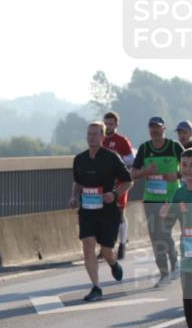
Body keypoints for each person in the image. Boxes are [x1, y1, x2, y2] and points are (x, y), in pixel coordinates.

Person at [68, 122, 132, 302]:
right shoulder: (79, 159)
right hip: (87, 211)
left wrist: (114, 194)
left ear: (103, 137)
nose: (91, 137)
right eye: (89, 134)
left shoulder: (112, 158)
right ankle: (96, 287)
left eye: (95, 134)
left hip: (107, 211)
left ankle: (113, 263)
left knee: (106, 251)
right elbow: (77, 182)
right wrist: (73, 197)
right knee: (88, 247)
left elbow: (128, 181)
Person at [131, 116, 184, 287]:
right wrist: (146, 170)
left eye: (157, 127)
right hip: (151, 198)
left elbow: (188, 167)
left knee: (165, 232)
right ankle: (164, 273)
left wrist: (175, 175)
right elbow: (133, 174)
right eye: (151, 127)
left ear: (164, 129)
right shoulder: (145, 149)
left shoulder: (174, 147)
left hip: (172, 197)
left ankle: (175, 265)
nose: (154, 130)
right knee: (155, 237)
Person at [160, 148, 192, 328]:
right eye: (184, 165)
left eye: (191, 165)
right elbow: (168, 221)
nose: (187, 170)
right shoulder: (179, 193)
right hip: (188, 258)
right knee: (189, 305)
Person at [102, 111, 135, 259]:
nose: (108, 126)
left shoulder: (122, 141)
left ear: (116, 124)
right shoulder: (100, 139)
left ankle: (122, 244)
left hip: (119, 183)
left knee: (120, 213)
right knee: (101, 214)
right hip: (103, 183)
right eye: (106, 124)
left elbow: (130, 160)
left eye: (111, 124)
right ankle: (104, 247)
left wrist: (117, 160)